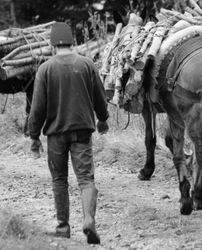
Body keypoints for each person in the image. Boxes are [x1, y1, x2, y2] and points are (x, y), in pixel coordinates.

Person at [28, 22, 109, 245]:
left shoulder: (45, 68)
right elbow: (99, 96)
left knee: (59, 180)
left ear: (53, 44)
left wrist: (34, 136)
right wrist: (103, 118)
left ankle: (63, 227)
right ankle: (89, 219)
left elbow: (37, 107)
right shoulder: (86, 64)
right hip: (82, 130)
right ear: (71, 42)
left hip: (55, 134)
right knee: (85, 178)